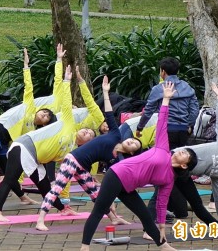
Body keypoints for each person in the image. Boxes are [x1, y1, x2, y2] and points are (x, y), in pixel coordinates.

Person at [80, 82, 197, 251]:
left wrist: (163, 226)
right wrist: (165, 99)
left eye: (185, 154)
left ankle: (164, 246)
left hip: (127, 186)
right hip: (117, 174)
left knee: (145, 216)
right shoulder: (163, 149)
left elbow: (162, 203)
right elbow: (162, 122)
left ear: (185, 165)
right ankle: (85, 246)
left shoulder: (169, 178)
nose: (180, 151)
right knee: (99, 210)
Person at [0, 65, 101, 222]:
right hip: (24, 147)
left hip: (35, 159)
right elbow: (65, 102)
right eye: (87, 130)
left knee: (45, 187)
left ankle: (63, 209)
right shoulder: (69, 124)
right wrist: (66, 81)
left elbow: (69, 172)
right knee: (10, 179)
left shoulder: (71, 151)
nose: (87, 132)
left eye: (90, 135)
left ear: (87, 143)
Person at [142, 83, 218, 240]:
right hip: (173, 160)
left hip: (183, 173)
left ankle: (217, 227)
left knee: (195, 205)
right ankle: (149, 230)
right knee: (159, 195)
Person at [36, 75, 142, 231]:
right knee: (57, 188)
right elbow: (108, 112)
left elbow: (113, 179)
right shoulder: (115, 134)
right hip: (73, 159)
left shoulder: (117, 160)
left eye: (134, 145)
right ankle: (40, 220)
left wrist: (112, 196)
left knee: (94, 192)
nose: (131, 142)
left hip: (82, 167)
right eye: (132, 140)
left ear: (132, 153)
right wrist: (106, 93)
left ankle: (113, 218)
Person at [0, 46, 63, 210]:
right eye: (44, 113)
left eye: (47, 117)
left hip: (4, 143)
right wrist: (27, 65)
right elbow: (30, 86)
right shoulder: (29, 106)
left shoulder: (32, 131)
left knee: (10, 172)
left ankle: (22, 197)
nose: (44, 115)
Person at [137, 57, 199, 220]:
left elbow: (148, 110)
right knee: (179, 170)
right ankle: (179, 208)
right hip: (182, 132)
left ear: (162, 72)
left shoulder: (159, 88)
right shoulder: (187, 87)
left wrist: (140, 127)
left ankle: (158, 210)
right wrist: (189, 124)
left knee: (164, 170)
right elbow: (195, 109)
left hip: (165, 133)